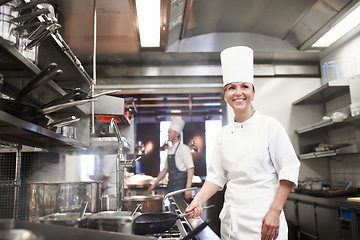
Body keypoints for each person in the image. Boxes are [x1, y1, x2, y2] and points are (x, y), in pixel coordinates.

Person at [185, 46, 300, 240]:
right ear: (225, 96)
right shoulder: (223, 135)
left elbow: (289, 170)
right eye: (232, 87)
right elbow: (216, 177)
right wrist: (197, 200)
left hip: (266, 220)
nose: (238, 93)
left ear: (253, 93)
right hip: (232, 222)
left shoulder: (270, 126)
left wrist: (275, 212)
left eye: (244, 87)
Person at [148, 118, 195, 204]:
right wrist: (154, 183)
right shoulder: (170, 150)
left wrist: (188, 188)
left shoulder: (184, 148)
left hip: (181, 188)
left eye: (170, 132)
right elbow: (165, 170)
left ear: (177, 134)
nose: (168, 134)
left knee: (182, 211)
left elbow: (190, 168)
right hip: (171, 187)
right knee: (174, 211)